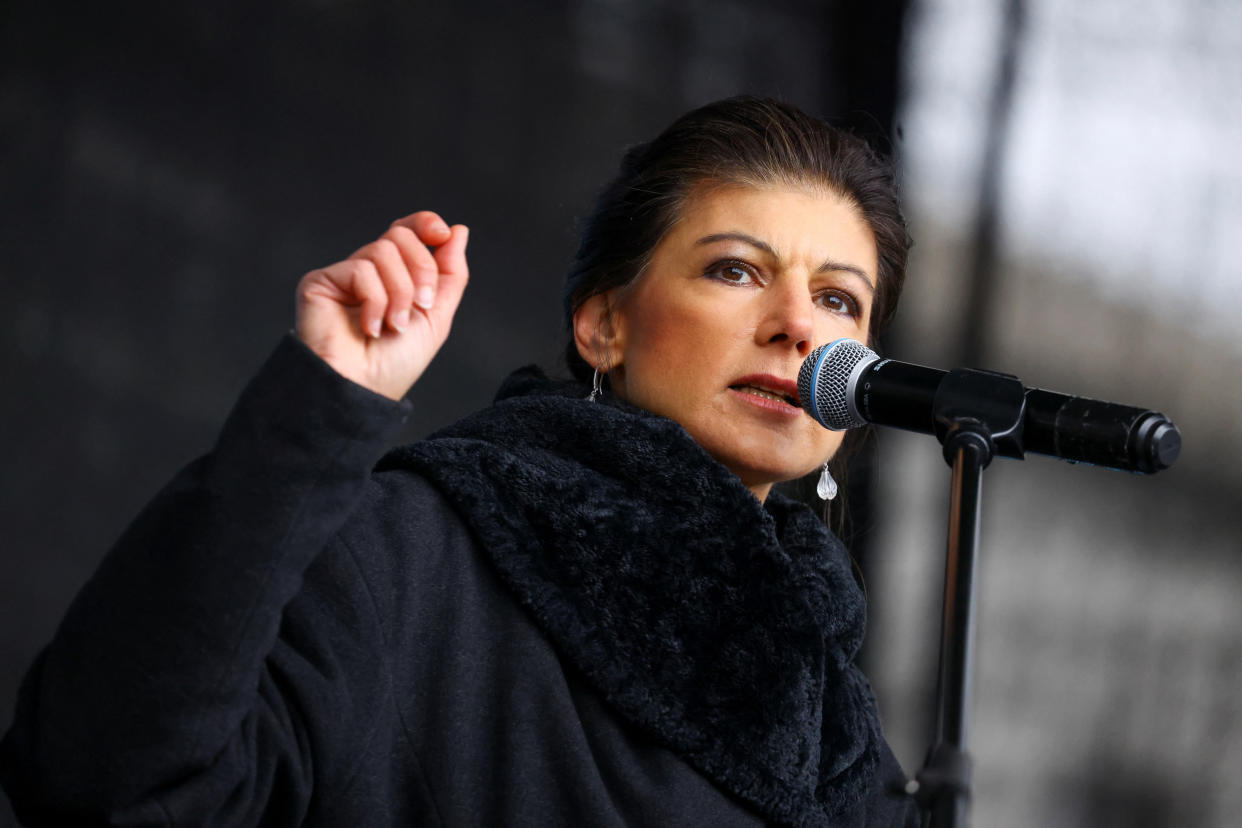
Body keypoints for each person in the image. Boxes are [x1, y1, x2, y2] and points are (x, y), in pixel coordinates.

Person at [0, 97, 919, 826]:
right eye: (736, 270)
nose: (800, 324)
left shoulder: (835, 713)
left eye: (840, 299)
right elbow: (108, 781)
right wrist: (320, 406)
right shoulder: (413, 555)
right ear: (603, 326)